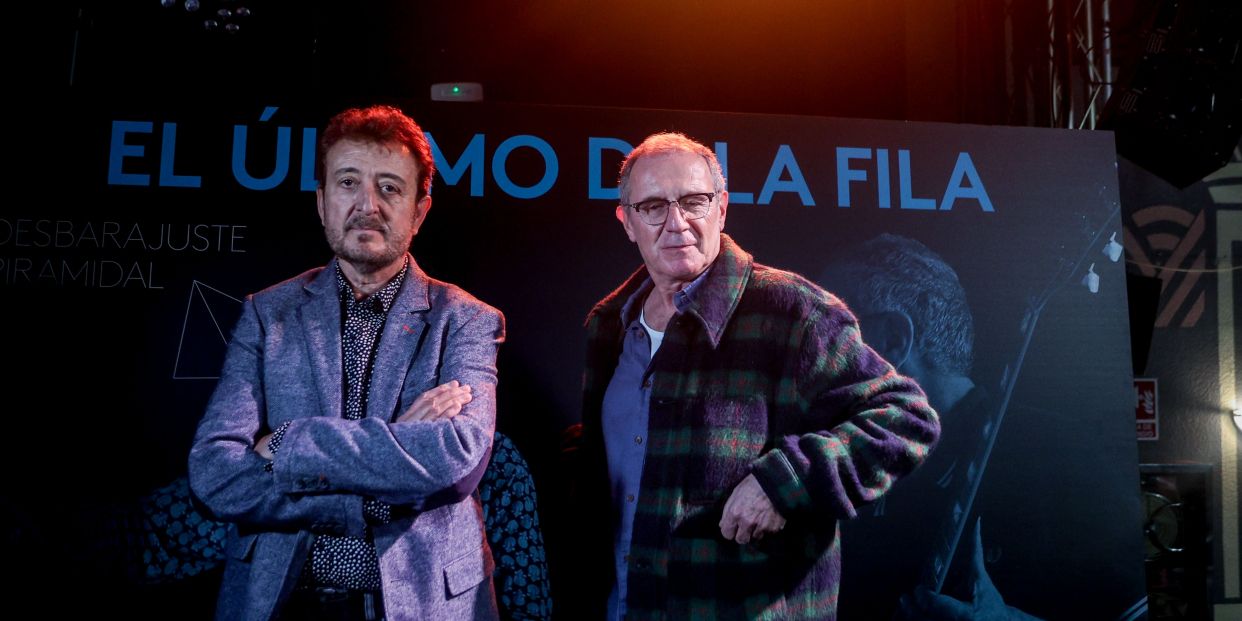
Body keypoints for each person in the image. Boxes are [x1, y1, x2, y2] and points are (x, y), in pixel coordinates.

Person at [565, 133, 940, 620]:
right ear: (628, 223)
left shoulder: (793, 311)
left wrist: (788, 482)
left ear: (721, 208)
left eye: (693, 202)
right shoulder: (608, 326)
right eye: (653, 207)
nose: (676, 223)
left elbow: (907, 418)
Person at [188, 105, 504, 621]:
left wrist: (290, 441)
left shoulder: (467, 320)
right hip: (282, 604)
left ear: (420, 211)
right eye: (348, 182)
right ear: (321, 201)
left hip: (423, 605)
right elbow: (215, 473)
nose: (366, 205)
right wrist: (379, 479)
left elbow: (457, 462)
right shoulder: (267, 314)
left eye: (389, 188)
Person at [819, 234, 1038, 621]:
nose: (810, 359)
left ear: (893, 339)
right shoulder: (854, 467)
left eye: (826, 336)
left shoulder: (1050, 456)